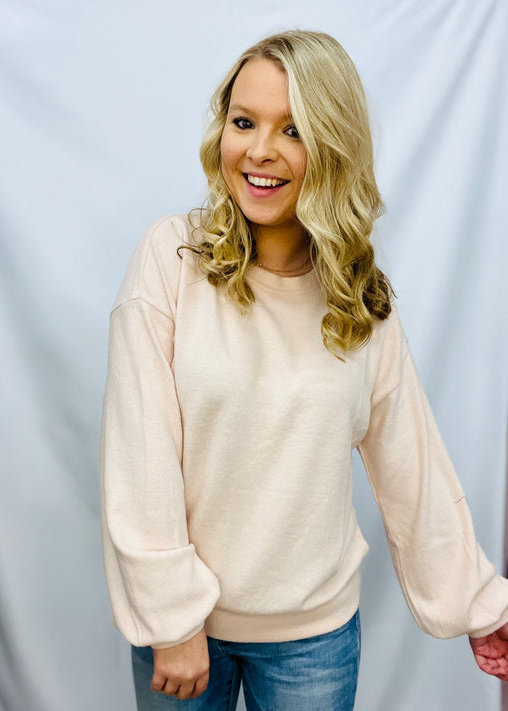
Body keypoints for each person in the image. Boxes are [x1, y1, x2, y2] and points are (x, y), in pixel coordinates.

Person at [99, 30, 508, 711]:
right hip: (184, 631)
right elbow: (140, 453)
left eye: (293, 129)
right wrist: (172, 619)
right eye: (244, 122)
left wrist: (481, 604)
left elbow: (412, 467)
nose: (259, 150)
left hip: (313, 641)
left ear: (334, 144)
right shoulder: (172, 258)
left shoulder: (358, 299)